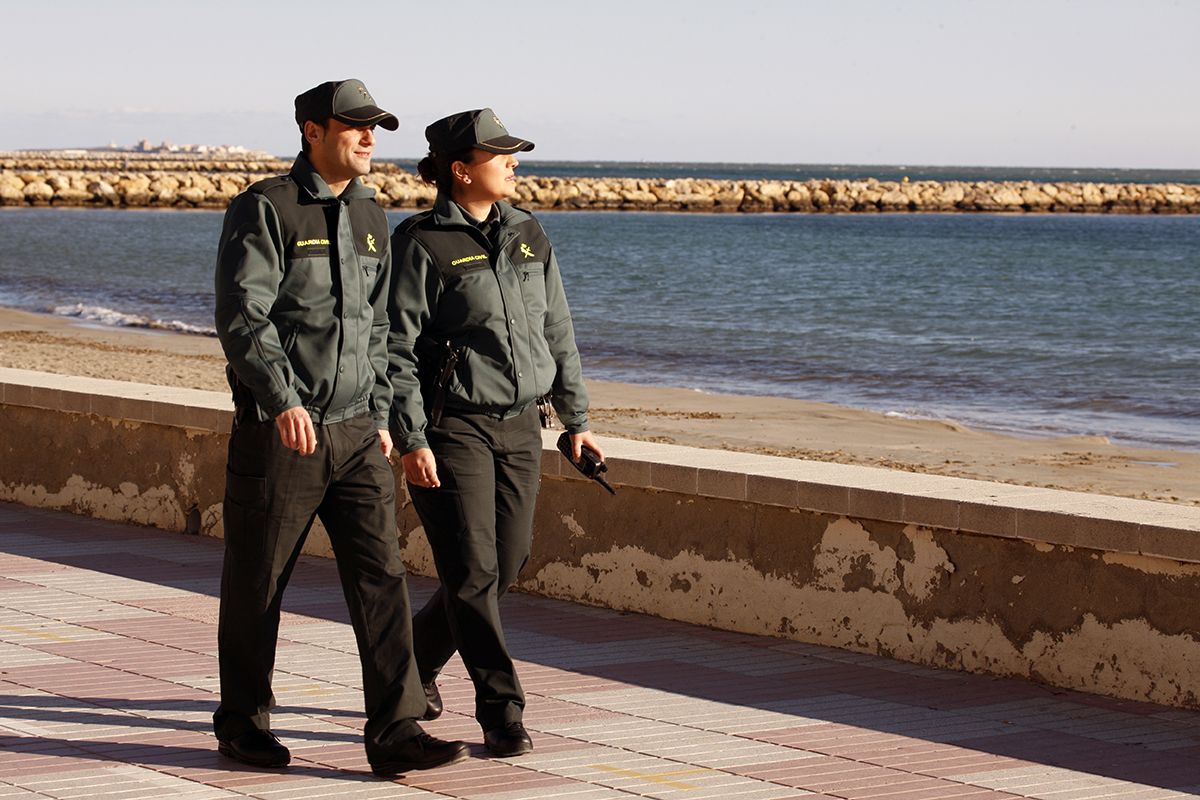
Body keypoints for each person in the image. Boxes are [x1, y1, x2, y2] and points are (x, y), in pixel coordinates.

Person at [212, 79, 468, 777]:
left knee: (383, 580)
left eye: (374, 129)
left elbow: (381, 327)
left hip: (358, 432)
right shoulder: (266, 209)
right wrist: (282, 398)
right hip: (284, 434)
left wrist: (384, 414)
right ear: (311, 131)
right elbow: (244, 317)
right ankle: (242, 723)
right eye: (353, 127)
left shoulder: (369, 213)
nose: (368, 138)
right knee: (259, 583)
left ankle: (396, 731)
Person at [387, 108, 604, 758]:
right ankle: (501, 711)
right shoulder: (420, 243)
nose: (515, 164)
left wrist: (578, 420)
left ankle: (411, 666)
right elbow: (392, 347)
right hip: (451, 426)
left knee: (503, 563)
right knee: (473, 569)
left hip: (519, 426)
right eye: (501, 155)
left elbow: (556, 330)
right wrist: (409, 436)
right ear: (462, 169)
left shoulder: (528, 233)